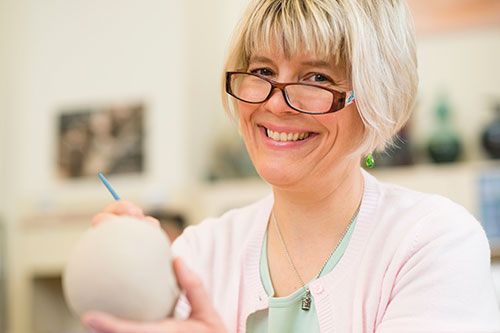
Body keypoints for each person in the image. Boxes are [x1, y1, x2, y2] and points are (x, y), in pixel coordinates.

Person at [82, 0, 500, 332]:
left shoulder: (434, 242)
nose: (274, 103)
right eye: (262, 70)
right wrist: (132, 286)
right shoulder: (197, 256)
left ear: (377, 97)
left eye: (316, 78)